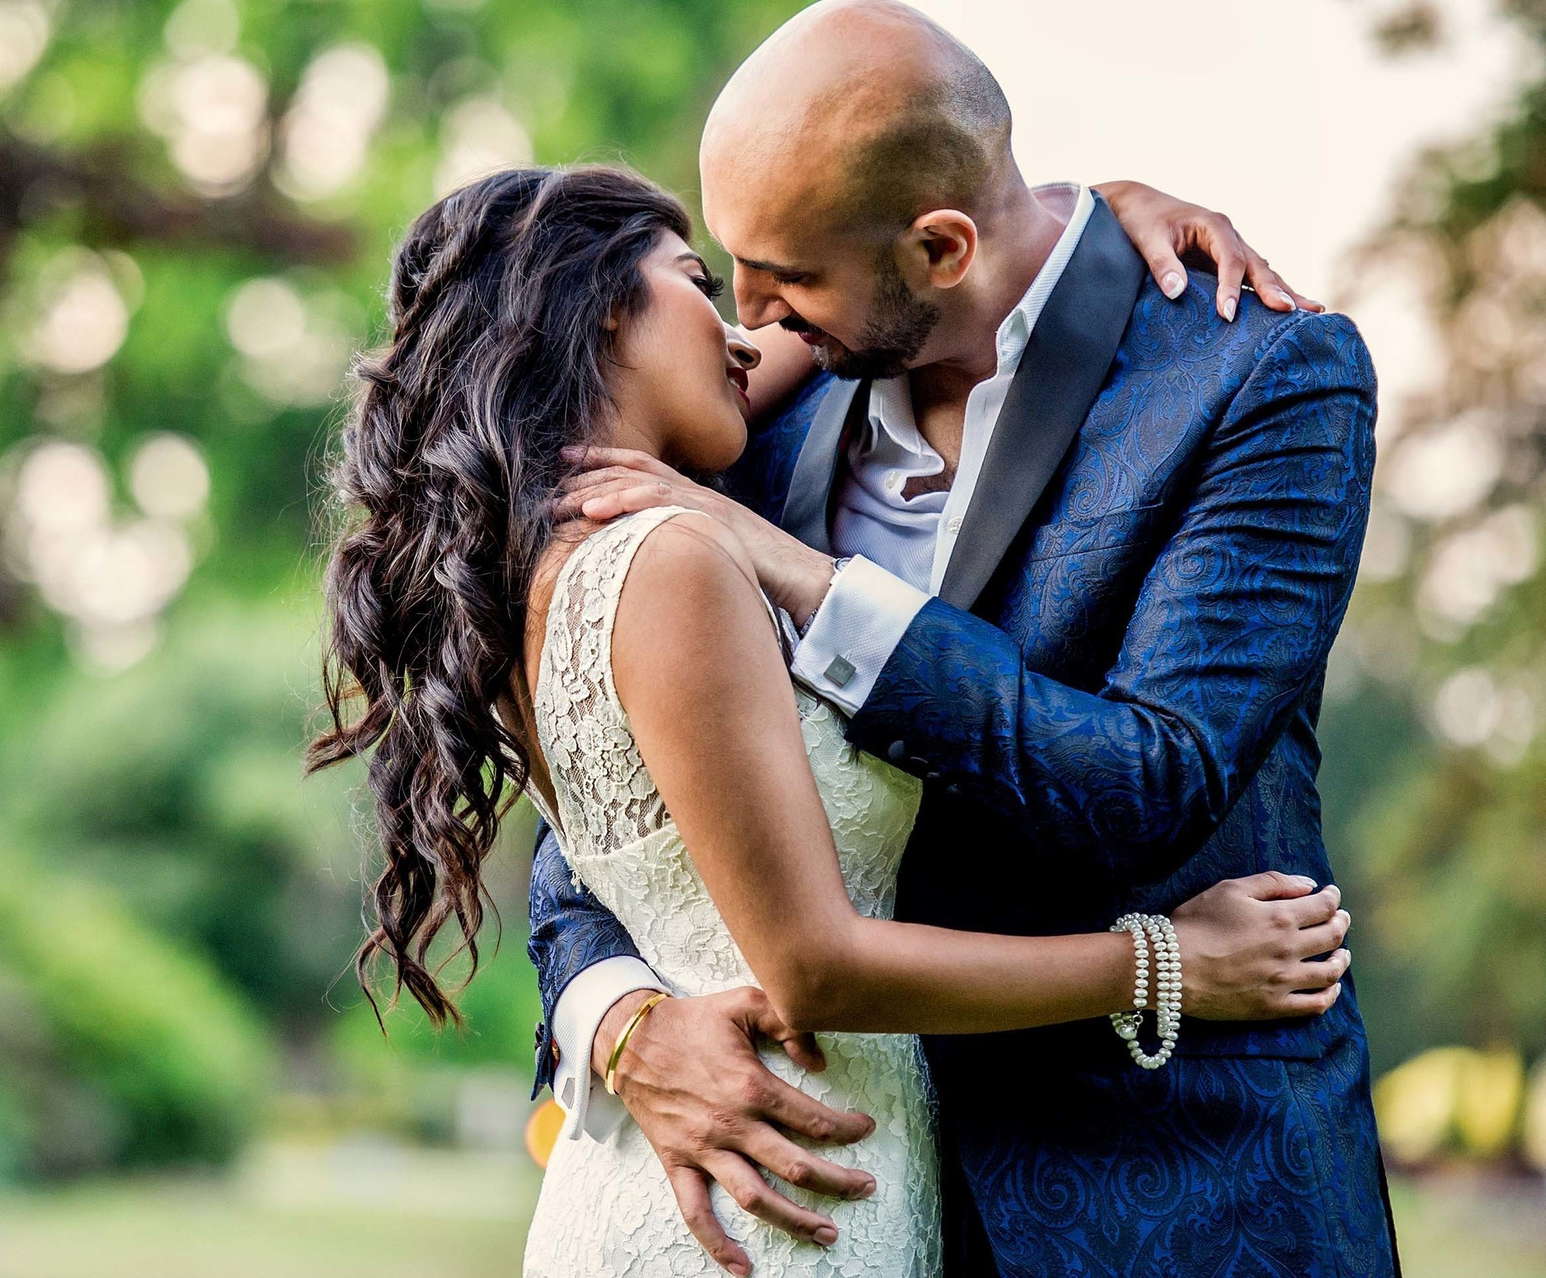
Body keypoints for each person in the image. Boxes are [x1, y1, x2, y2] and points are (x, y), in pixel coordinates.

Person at [312, 167, 1358, 1278]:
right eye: (704, 279)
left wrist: (1077, 214)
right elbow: (683, 899)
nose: (748, 324)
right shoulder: (685, 528)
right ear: (599, 306)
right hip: (781, 1191)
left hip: (1127, 1190)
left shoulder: (581, 537)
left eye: (770, 279)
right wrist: (1162, 964)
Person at [525, 3, 1400, 1276]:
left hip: (1177, 1201)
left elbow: (1154, 782)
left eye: (785, 274)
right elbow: (612, 784)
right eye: (728, 268)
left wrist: (812, 583)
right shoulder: (749, 418)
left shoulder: (1262, 379)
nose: (748, 317)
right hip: (823, 1199)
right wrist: (615, 1019)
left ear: (940, 247)